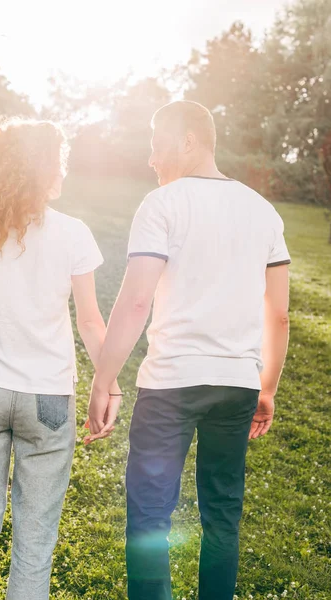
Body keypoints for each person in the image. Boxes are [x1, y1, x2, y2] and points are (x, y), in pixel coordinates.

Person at [86, 101, 291, 600]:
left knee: (151, 513)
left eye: (156, 145)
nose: (151, 159)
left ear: (188, 142)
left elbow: (136, 301)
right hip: (237, 386)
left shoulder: (162, 205)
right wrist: (266, 389)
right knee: (223, 514)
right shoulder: (263, 211)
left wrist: (103, 380)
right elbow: (279, 315)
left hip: (170, 385)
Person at [0, 118, 120, 600]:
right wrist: (110, 385)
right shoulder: (73, 233)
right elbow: (89, 322)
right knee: (35, 544)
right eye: (57, 164)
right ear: (43, 172)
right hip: (49, 399)